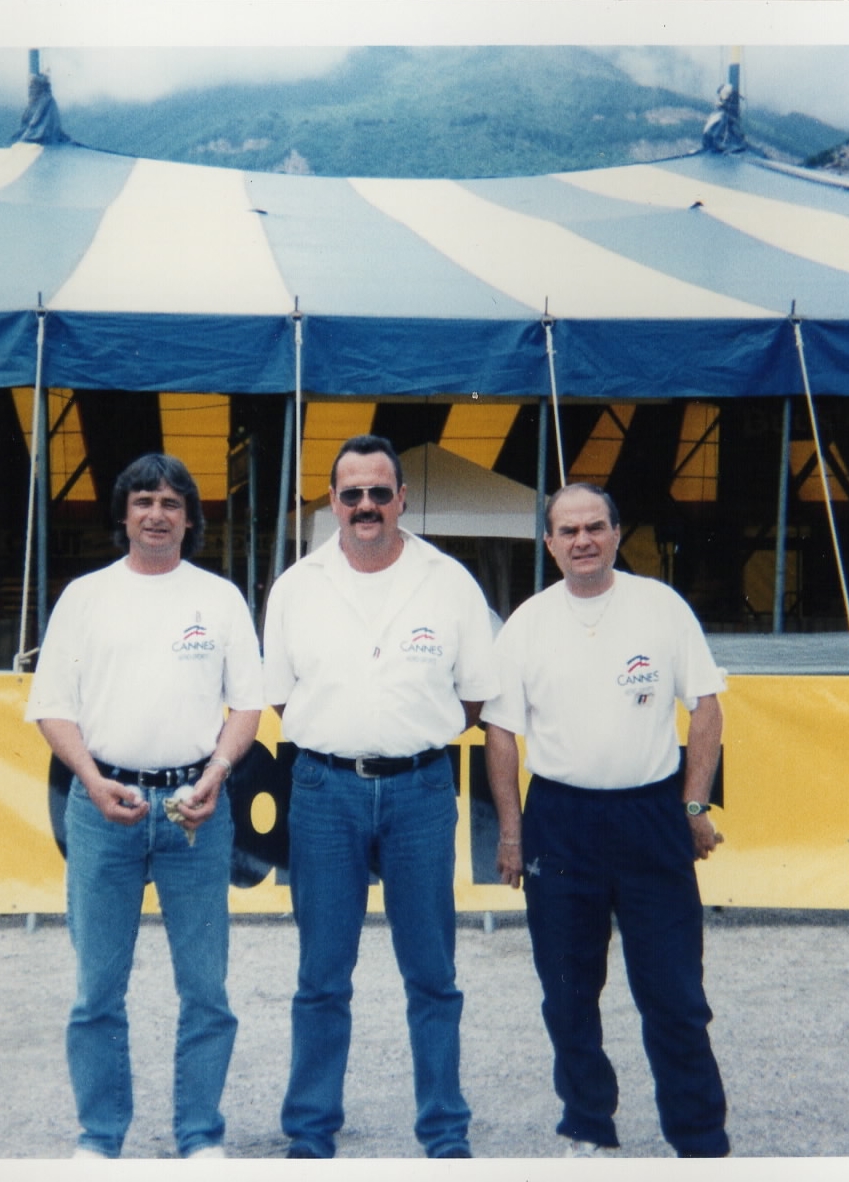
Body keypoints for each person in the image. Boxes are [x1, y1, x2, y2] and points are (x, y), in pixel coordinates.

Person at [261, 433, 499, 1159]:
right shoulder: (297, 586)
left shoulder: (449, 582)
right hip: (323, 791)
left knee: (432, 973)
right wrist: (347, 739)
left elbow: (473, 697)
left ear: (402, 498)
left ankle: (445, 1132)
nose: (366, 505)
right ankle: (310, 1132)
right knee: (321, 975)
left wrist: (405, 738)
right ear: (333, 502)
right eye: (351, 494)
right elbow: (281, 697)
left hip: (420, 791)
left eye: (378, 492)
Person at [25, 453, 263, 1160]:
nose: (156, 514)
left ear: (190, 520)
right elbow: (52, 707)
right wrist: (92, 780)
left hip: (196, 812)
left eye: (170, 503)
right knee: (97, 989)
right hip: (104, 807)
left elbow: (248, 706)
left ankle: (200, 1138)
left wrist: (216, 774)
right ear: (124, 515)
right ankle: (100, 1140)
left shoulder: (219, 598)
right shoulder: (84, 598)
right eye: (143, 501)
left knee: (206, 989)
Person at [481, 482, 730, 1158]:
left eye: (595, 527)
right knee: (567, 993)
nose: (583, 540)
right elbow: (500, 734)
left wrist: (694, 805)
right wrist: (512, 834)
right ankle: (589, 1126)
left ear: (618, 533)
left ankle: (700, 1139)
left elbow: (706, 707)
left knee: (675, 993)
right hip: (561, 821)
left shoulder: (661, 607)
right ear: (549, 543)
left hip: (651, 816)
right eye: (568, 531)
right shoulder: (527, 623)